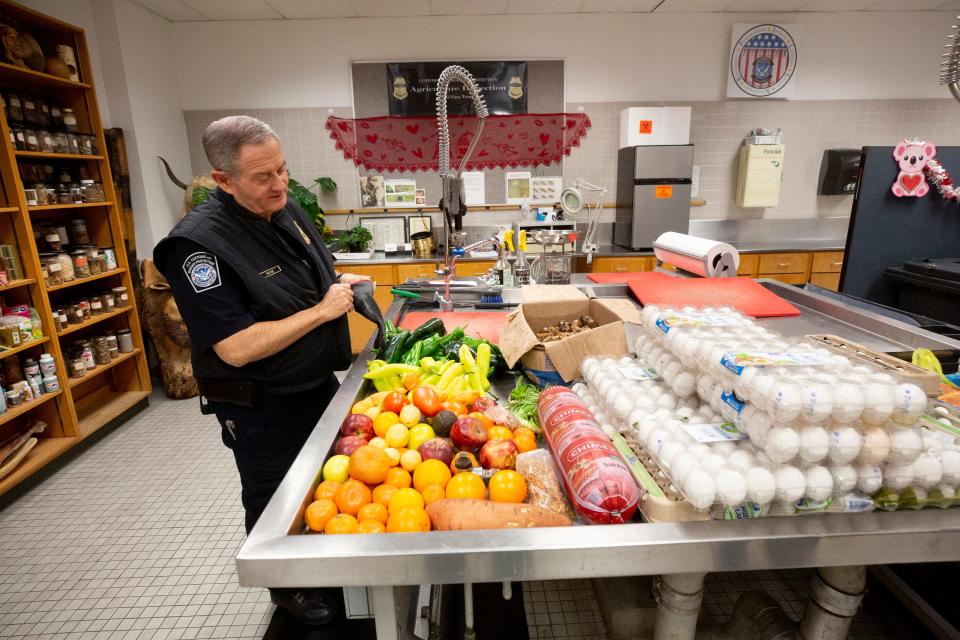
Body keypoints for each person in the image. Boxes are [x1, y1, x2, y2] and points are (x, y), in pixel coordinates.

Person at [154, 115, 370, 626]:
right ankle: (287, 589)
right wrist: (322, 311)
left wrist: (337, 281)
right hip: (260, 402)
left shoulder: (282, 206)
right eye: (262, 175)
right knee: (274, 492)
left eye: (282, 169)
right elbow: (234, 347)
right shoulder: (196, 248)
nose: (279, 184)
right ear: (222, 180)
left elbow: (304, 274)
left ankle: (321, 564)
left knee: (317, 484)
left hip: (314, 383)